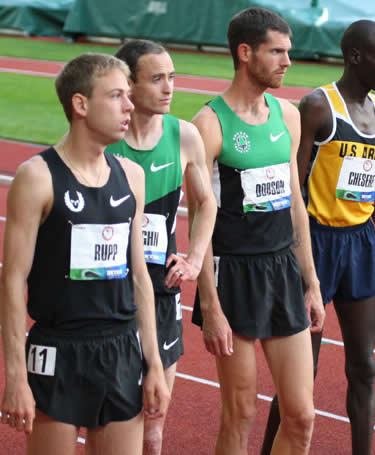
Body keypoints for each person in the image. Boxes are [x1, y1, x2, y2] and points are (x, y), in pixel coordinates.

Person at [261, 19, 375, 455]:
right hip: (313, 243)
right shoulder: (318, 106)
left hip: (359, 246)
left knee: (364, 368)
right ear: (355, 57)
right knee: (301, 375)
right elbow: (290, 191)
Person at [0, 53, 170, 453]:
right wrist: (14, 375)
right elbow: (11, 280)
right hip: (57, 350)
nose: (130, 106)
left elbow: (140, 275)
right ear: (80, 105)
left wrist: (155, 363)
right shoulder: (37, 177)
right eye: (116, 96)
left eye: (129, 95)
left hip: (120, 347)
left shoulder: (132, 176)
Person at [190, 7, 324, 455]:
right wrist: (210, 305)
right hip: (233, 275)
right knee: (240, 413)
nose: (288, 61)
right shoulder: (208, 124)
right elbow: (197, 223)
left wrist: (311, 281)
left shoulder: (287, 115)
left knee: (302, 416)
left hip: (283, 268)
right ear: (245, 53)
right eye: (277, 51)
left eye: (289, 51)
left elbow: (295, 205)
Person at [106, 39, 217, 454]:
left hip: (161, 289)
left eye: (172, 77)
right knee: (113, 423)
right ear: (128, 85)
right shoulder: (103, 139)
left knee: (153, 427)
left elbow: (206, 203)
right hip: (110, 292)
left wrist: (194, 258)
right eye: (157, 79)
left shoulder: (184, 135)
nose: (169, 87)